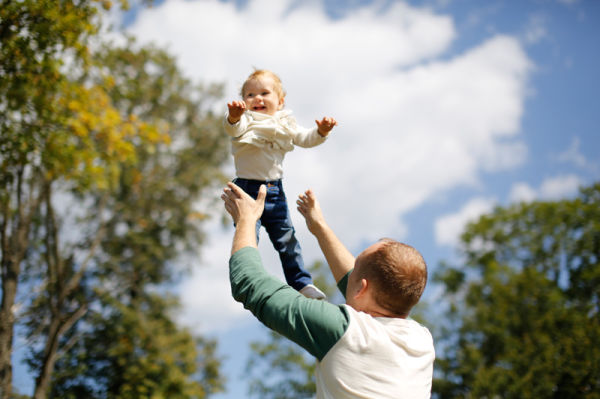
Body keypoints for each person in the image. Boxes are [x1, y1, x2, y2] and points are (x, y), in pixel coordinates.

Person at [221, 182, 435, 398]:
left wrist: (247, 219)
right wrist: (319, 227)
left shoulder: (343, 333)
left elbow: (248, 282)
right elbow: (370, 287)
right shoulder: (422, 341)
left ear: (362, 288)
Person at [224, 69, 337, 299]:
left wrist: (321, 131)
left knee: (287, 240)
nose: (257, 98)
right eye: (250, 94)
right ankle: (248, 276)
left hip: (275, 191)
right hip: (246, 191)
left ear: (280, 101)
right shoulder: (245, 119)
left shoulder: (285, 123)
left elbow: (305, 138)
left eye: (264, 93)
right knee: (248, 236)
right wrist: (234, 116)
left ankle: (302, 284)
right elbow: (232, 129)